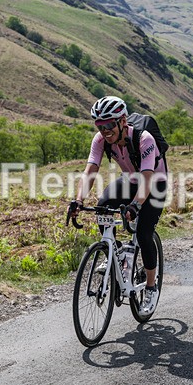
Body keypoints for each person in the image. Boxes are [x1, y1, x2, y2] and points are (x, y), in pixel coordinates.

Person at [68, 96, 168, 315]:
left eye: (109, 125)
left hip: (154, 184)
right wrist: (78, 200)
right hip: (130, 180)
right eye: (100, 126)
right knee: (103, 206)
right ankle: (118, 253)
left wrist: (135, 206)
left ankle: (151, 288)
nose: (105, 131)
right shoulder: (100, 140)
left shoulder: (144, 139)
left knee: (143, 234)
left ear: (122, 121)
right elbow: (90, 171)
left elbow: (147, 179)